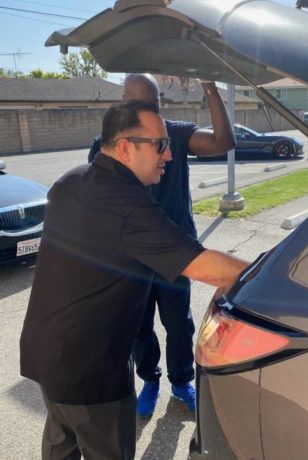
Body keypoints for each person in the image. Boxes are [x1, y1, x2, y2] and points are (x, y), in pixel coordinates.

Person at [20, 101, 248, 460]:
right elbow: (207, 267)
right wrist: (278, 272)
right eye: (161, 144)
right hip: (93, 371)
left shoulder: (72, 181)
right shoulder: (124, 204)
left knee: (61, 443)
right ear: (125, 146)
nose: (170, 155)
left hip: (50, 358)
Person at [88, 74, 234, 416]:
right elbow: (98, 197)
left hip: (175, 253)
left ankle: (181, 382)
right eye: (133, 101)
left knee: (177, 324)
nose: (141, 108)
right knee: (138, 325)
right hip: (129, 257)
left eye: (148, 102)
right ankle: (149, 379)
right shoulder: (107, 142)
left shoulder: (177, 134)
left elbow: (223, 142)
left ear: (157, 103)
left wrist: (209, 88)